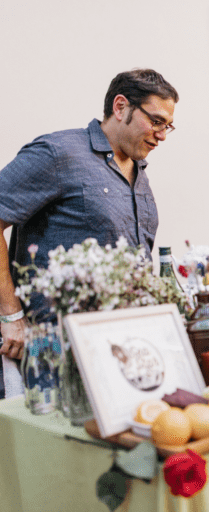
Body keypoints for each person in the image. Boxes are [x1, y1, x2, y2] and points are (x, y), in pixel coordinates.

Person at [0, 68, 179, 399]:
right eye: (155, 121)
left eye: (168, 125)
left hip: (120, 352)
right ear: (121, 106)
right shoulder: (59, 153)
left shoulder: (139, 172)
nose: (162, 134)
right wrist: (11, 316)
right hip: (57, 356)